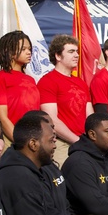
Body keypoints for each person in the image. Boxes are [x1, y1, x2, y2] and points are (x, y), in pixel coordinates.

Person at [39, 34, 93, 167]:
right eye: (71, 51)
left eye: (77, 51)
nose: (76, 55)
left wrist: (91, 139)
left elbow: (90, 116)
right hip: (61, 144)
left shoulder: (81, 83)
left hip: (85, 142)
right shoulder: (47, 81)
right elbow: (51, 119)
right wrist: (78, 141)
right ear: (58, 56)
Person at [0, 30, 40, 143]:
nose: (28, 52)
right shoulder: (0, 77)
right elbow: (2, 117)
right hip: (12, 139)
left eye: (29, 49)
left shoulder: (31, 79)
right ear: (9, 52)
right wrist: (20, 142)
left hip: (33, 137)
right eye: (23, 49)